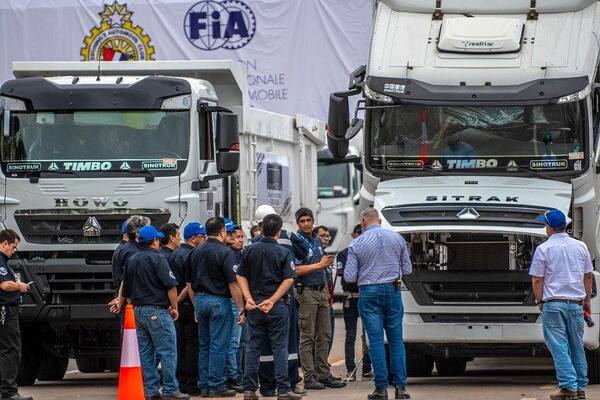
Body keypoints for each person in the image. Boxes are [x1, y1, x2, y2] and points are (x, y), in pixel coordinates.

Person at [344, 208, 412, 400]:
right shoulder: (397, 239)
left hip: (369, 292)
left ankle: (381, 389)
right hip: (392, 290)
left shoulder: (356, 243)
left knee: (375, 342)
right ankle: (401, 388)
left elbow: (349, 276)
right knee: (396, 340)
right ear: (379, 220)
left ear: (364, 221)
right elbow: (407, 268)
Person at [530, 209, 593, 400]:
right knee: (577, 346)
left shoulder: (544, 249)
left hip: (554, 304)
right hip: (575, 304)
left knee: (559, 346)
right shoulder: (580, 246)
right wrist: (587, 301)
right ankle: (580, 388)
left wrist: (539, 300)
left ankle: (568, 388)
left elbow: (537, 280)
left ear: (549, 227)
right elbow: (588, 276)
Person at [237, 213, 302, 400]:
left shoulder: (249, 250)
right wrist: (272, 300)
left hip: (255, 307)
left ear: (263, 229)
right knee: (279, 348)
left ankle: (249, 390)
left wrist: (249, 299)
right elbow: (288, 280)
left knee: (253, 348)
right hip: (276, 307)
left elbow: (240, 276)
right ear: (279, 231)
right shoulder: (283, 252)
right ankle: (283, 390)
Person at [121, 225, 189, 400]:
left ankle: (150, 390)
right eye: (158, 239)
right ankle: (170, 390)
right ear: (154, 241)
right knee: (168, 351)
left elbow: (126, 290)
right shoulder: (158, 259)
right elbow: (171, 286)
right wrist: (174, 307)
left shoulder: (132, 259)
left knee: (146, 352)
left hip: (138, 311)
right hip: (157, 311)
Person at [186, 217, 245, 397]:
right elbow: (233, 284)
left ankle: (204, 385)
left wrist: (196, 305)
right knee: (219, 345)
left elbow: (189, 283)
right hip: (219, 301)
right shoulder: (224, 252)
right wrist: (241, 307)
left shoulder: (195, 251)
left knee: (204, 345)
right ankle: (216, 385)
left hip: (200, 300)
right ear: (221, 232)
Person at [253, 205, 306, 397]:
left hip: (258, 301)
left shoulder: (252, 244)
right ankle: (288, 385)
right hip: (281, 300)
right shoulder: (287, 239)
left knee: (259, 346)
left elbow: (242, 275)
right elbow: (304, 254)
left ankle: (264, 387)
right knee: (285, 344)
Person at [291, 208, 345, 390]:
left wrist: (328, 289)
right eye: (302, 221)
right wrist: (319, 265)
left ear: (313, 221)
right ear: (297, 223)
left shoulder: (316, 239)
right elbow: (296, 270)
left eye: (308, 220)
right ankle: (309, 376)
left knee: (325, 335)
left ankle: (323, 373)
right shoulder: (296, 241)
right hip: (306, 292)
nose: (306, 223)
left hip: (321, 291)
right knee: (307, 337)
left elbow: (324, 267)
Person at [168, 222, 207, 395]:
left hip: (176, 308)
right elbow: (189, 285)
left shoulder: (174, 254)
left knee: (179, 345)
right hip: (188, 305)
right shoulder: (192, 255)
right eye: (202, 236)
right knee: (193, 345)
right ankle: (191, 383)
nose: (204, 239)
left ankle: (180, 381)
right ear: (194, 238)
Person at [336, 224, 372, 381]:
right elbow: (346, 277)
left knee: (368, 335)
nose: (361, 237)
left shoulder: (370, 254)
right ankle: (350, 370)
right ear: (353, 234)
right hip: (350, 298)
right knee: (350, 335)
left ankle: (367, 368)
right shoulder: (344, 254)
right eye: (359, 234)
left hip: (366, 297)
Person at [0, 229, 33, 400]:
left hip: (5, 310)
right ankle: (9, 392)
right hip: (5, 310)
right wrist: (19, 286)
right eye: (12, 247)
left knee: (6, 350)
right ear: (4, 243)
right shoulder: (0, 261)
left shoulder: (4, 261)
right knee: (10, 350)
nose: (13, 251)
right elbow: (4, 285)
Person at [226, 222, 245, 393]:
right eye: (235, 236)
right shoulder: (229, 255)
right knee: (233, 342)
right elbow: (234, 283)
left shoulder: (241, 254)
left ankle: (239, 373)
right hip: (234, 302)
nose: (238, 240)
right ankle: (233, 377)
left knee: (241, 343)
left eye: (240, 236)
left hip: (242, 302)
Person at [313, 226, 336, 355]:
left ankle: (324, 366)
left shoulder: (327, 257)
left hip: (328, 303)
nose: (326, 238)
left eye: (327, 236)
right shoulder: (314, 258)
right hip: (317, 300)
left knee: (328, 335)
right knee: (317, 336)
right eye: (322, 236)